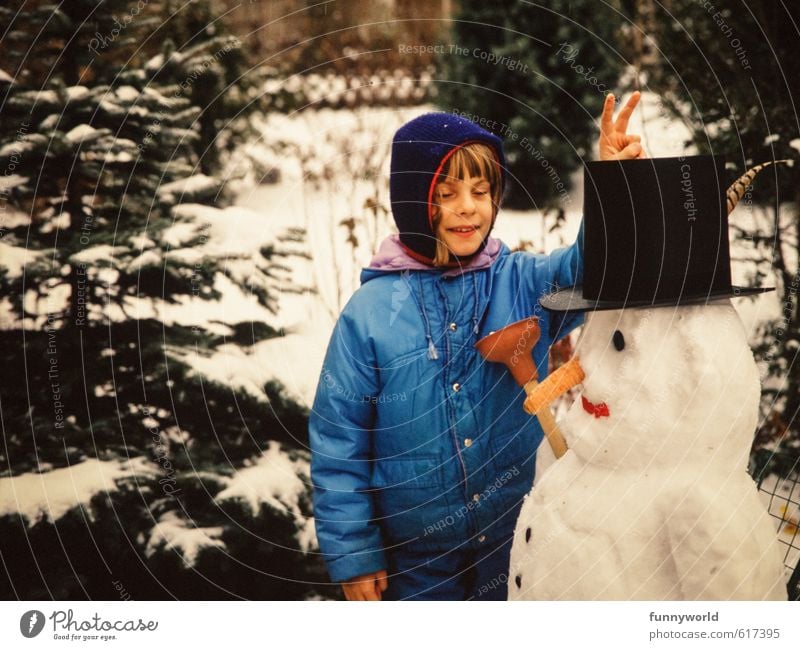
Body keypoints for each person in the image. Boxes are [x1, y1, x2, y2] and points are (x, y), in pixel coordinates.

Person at [309, 92, 645, 600]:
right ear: (413, 202)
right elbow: (340, 440)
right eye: (445, 193)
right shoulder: (371, 314)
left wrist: (614, 189)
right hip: (416, 565)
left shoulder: (519, 283)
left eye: (481, 190)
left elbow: (589, 270)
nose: (468, 206)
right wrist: (355, 553)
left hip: (517, 547)